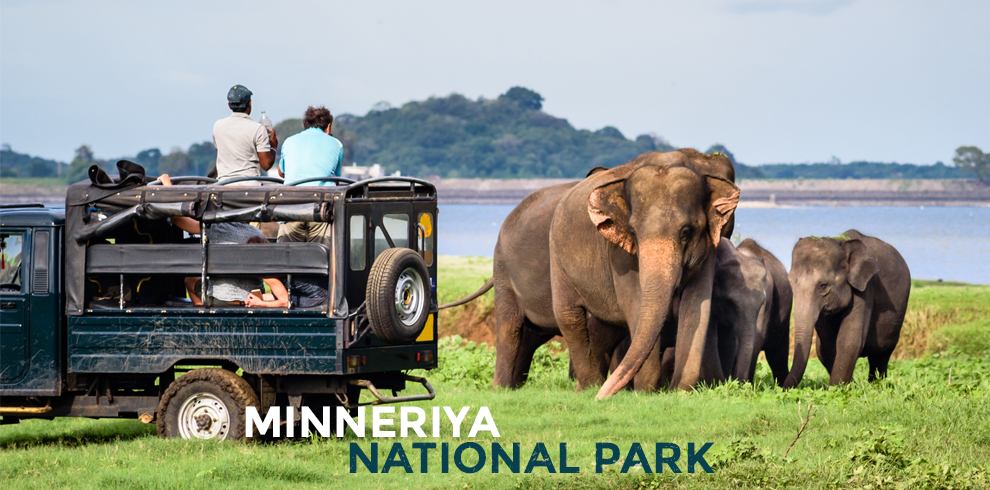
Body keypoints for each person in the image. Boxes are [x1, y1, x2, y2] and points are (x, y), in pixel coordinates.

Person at [276, 106, 343, 245]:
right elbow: (336, 179)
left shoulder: (289, 141)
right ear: (329, 127)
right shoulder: (336, 144)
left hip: (290, 207)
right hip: (321, 209)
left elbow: (282, 172)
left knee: (287, 259)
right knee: (322, 260)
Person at [212, 85, 279, 182]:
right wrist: (273, 146)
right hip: (249, 186)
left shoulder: (218, 126)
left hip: (224, 185)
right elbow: (266, 165)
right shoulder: (258, 129)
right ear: (250, 103)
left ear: (229, 105)